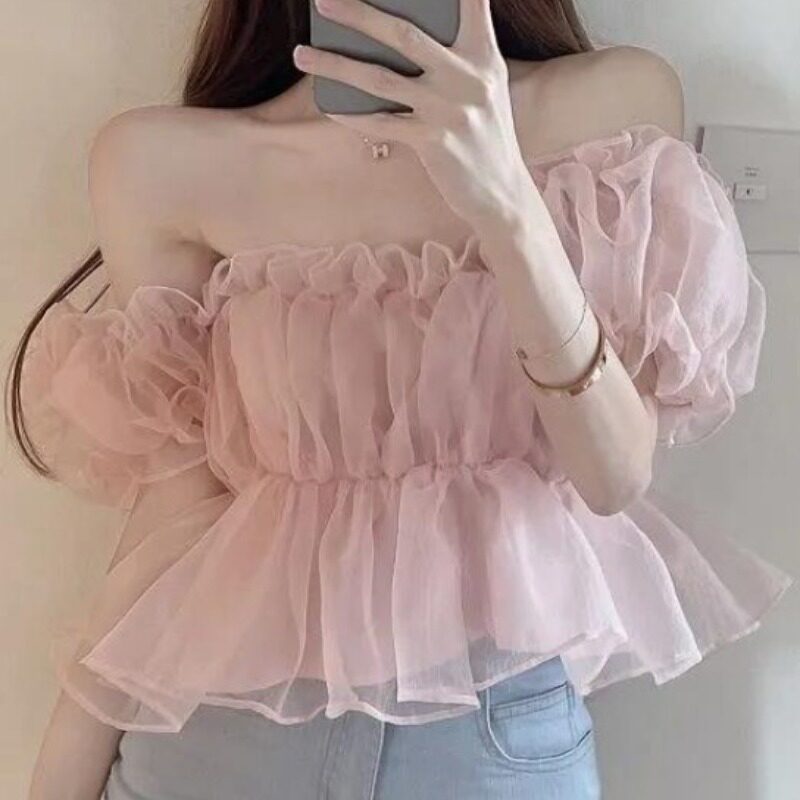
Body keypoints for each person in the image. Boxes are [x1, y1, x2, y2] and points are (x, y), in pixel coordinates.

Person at [7, 0, 792, 798]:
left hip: (489, 737)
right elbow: (177, 514)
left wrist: (507, 204)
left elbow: (614, 476)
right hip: (220, 741)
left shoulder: (609, 107)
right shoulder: (164, 162)